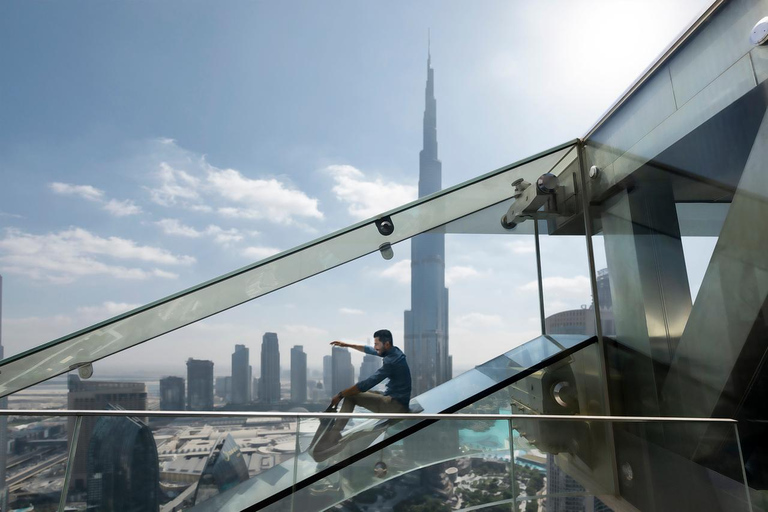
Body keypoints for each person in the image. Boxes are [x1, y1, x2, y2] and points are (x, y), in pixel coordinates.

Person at [326, 329, 411, 439]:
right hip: (396, 400)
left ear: (386, 344)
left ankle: (333, 435)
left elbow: (367, 383)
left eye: (376, 344)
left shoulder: (391, 361)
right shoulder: (394, 351)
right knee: (360, 393)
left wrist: (340, 395)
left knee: (351, 396)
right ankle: (335, 432)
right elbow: (370, 350)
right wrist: (347, 345)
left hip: (396, 407)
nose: (375, 347)